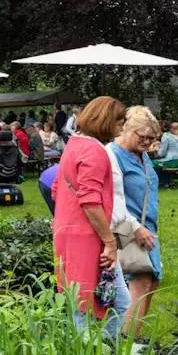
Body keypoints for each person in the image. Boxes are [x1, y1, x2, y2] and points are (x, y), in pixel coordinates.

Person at [52, 96, 126, 322]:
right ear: (105, 121)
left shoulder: (73, 144)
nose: (122, 127)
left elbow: (55, 188)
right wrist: (110, 242)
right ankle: (102, 346)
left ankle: (108, 345)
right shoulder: (94, 151)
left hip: (68, 232)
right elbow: (90, 201)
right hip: (87, 237)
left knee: (107, 303)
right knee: (88, 308)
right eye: (119, 121)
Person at [108, 107, 161, 337]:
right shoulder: (113, 154)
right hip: (127, 229)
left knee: (151, 283)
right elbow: (113, 198)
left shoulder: (143, 155)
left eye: (152, 138)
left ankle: (134, 337)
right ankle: (125, 342)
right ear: (127, 129)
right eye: (143, 136)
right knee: (140, 281)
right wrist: (135, 226)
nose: (147, 142)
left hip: (148, 228)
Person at [151, 121, 178, 185]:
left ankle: (162, 181)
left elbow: (161, 154)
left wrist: (156, 150)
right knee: (160, 162)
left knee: (152, 163)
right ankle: (168, 181)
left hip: (174, 161)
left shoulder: (165, 137)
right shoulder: (174, 136)